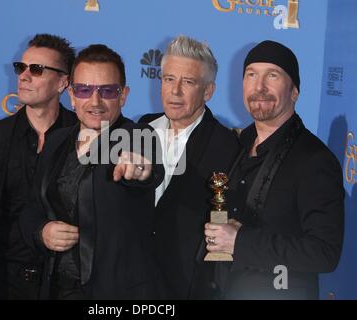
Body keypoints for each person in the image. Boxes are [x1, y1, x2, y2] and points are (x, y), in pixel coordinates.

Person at [19, 44, 164, 299]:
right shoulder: (57, 141)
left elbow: (148, 169)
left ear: (123, 95)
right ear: (72, 95)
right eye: (85, 90)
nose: (95, 101)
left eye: (107, 91)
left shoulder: (136, 135)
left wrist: (141, 170)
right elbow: (31, 209)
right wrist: (42, 232)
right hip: (56, 289)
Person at [205, 40, 344, 299]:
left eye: (273, 75)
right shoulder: (235, 145)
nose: (259, 87)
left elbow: (325, 253)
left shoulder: (314, 160)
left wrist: (240, 241)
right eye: (251, 75)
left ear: (294, 92)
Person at [0, 34, 77, 299]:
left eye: (37, 69)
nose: (24, 76)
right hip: (4, 286)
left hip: (63, 287)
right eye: (21, 68)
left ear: (63, 82)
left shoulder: (83, 137)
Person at [139, 35, 240, 299]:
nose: (175, 91)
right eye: (169, 79)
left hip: (186, 285)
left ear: (208, 91)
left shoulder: (227, 146)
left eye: (188, 82)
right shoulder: (141, 129)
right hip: (132, 280)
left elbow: (223, 222)